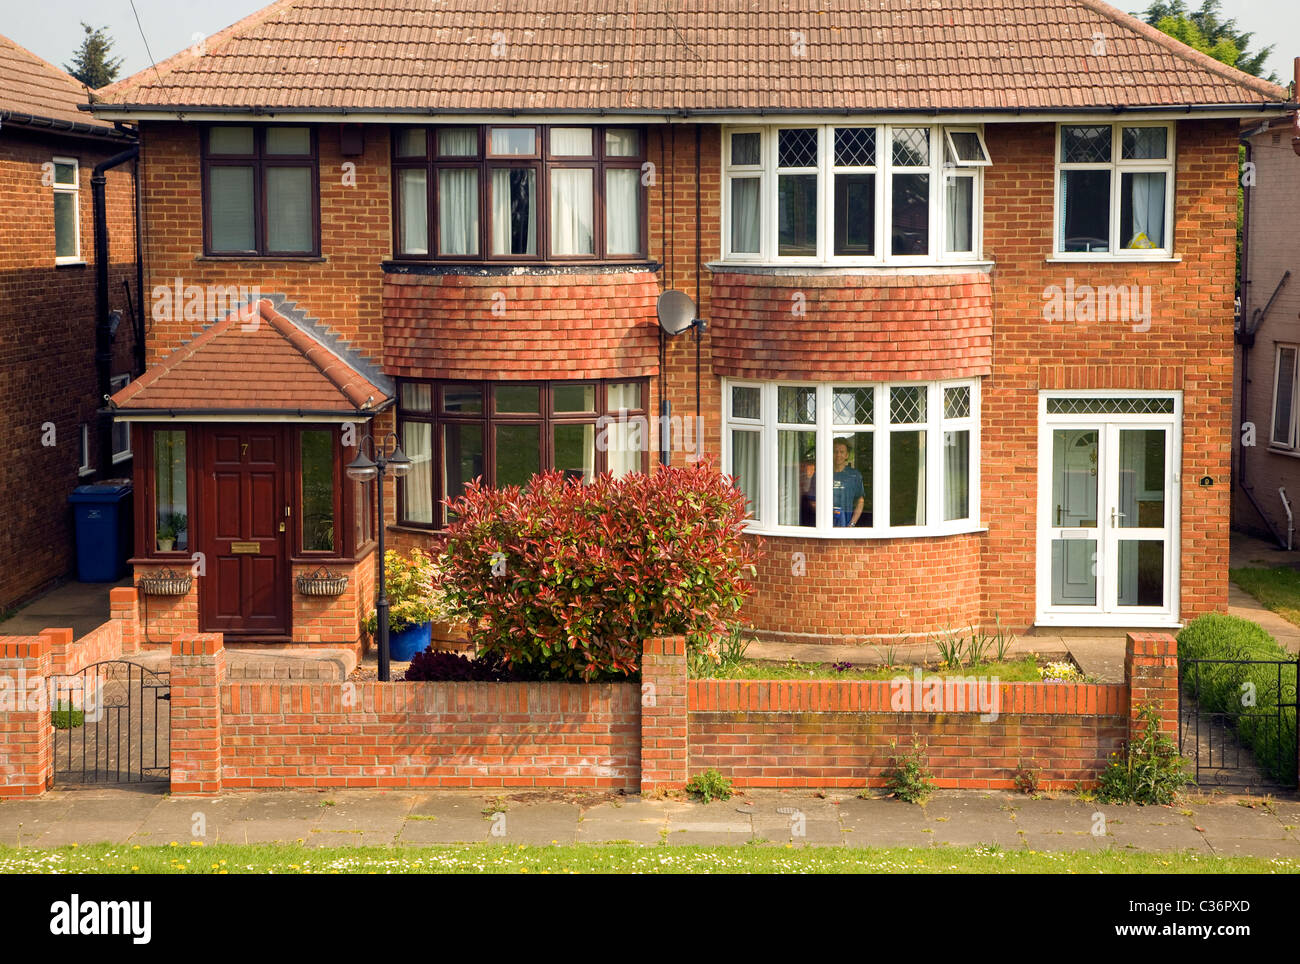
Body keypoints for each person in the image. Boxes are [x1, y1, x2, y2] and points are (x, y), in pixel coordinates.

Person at [811, 438, 866, 527]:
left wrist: (852, 524)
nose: (838, 455)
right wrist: (825, 518)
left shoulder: (854, 475)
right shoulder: (820, 474)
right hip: (825, 526)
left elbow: (860, 501)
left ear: (847, 455)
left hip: (846, 526)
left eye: (842, 452)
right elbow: (813, 501)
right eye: (835, 451)